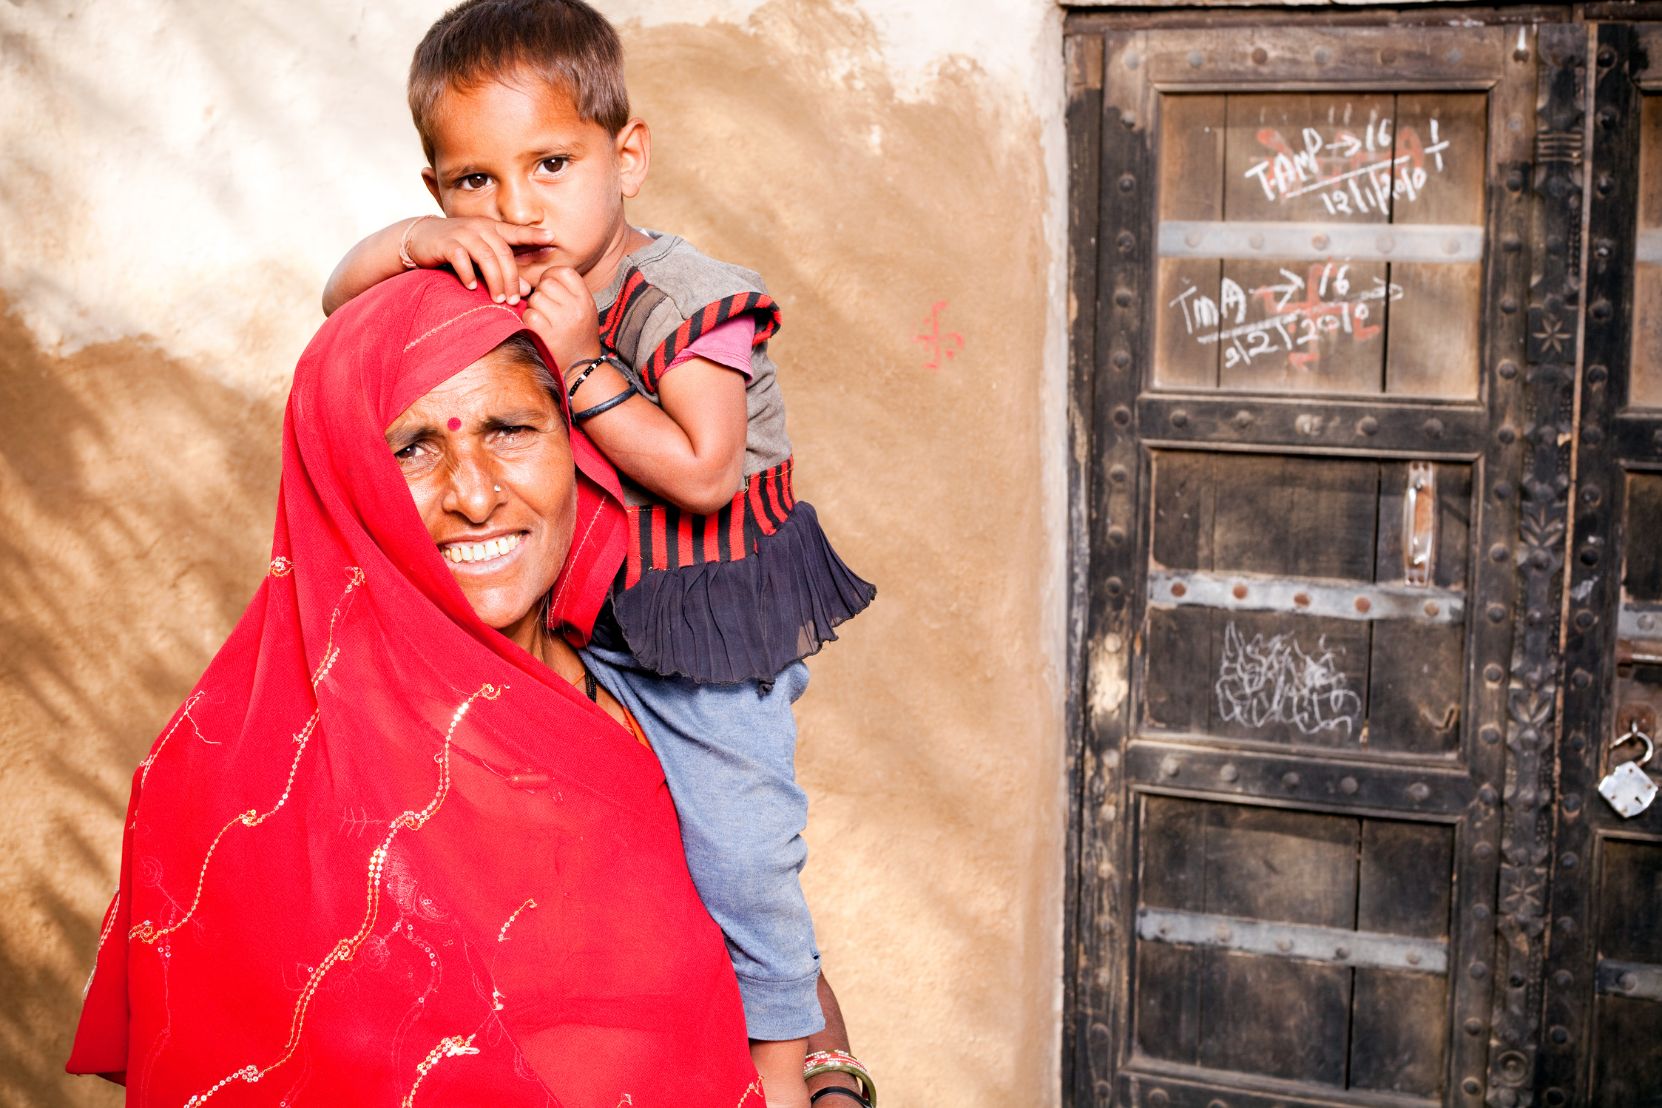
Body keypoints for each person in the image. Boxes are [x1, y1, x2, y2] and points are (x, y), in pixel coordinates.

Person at [321, 3, 877, 1104]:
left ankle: (777, 1067)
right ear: (438, 192)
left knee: (740, 856)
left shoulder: (688, 298)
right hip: (610, 613)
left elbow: (704, 469)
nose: (516, 208)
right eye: (474, 183)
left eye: (551, 164)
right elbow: (342, 300)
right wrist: (405, 250)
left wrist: (580, 365)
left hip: (709, 632)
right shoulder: (498, 271)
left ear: (628, 157)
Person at [66, 270, 763, 1106]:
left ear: (574, 447)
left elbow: (767, 947)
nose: (473, 494)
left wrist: (829, 1079)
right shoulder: (251, 782)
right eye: (412, 449)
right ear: (345, 479)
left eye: (509, 430)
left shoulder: (659, 704)